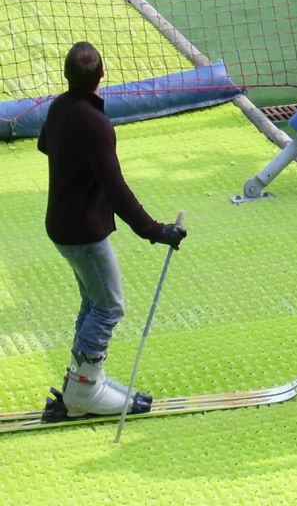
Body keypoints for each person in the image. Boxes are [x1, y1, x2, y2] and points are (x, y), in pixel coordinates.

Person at [38, 42, 187, 417]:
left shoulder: (59, 107)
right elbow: (115, 189)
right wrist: (155, 231)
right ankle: (83, 392)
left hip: (61, 225)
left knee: (93, 303)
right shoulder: (95, 123)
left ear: (67, 75)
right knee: (109, 307)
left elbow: (45, 145)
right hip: (84, 233)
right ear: (102, 74)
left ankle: (82, 381)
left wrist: (77, 164)